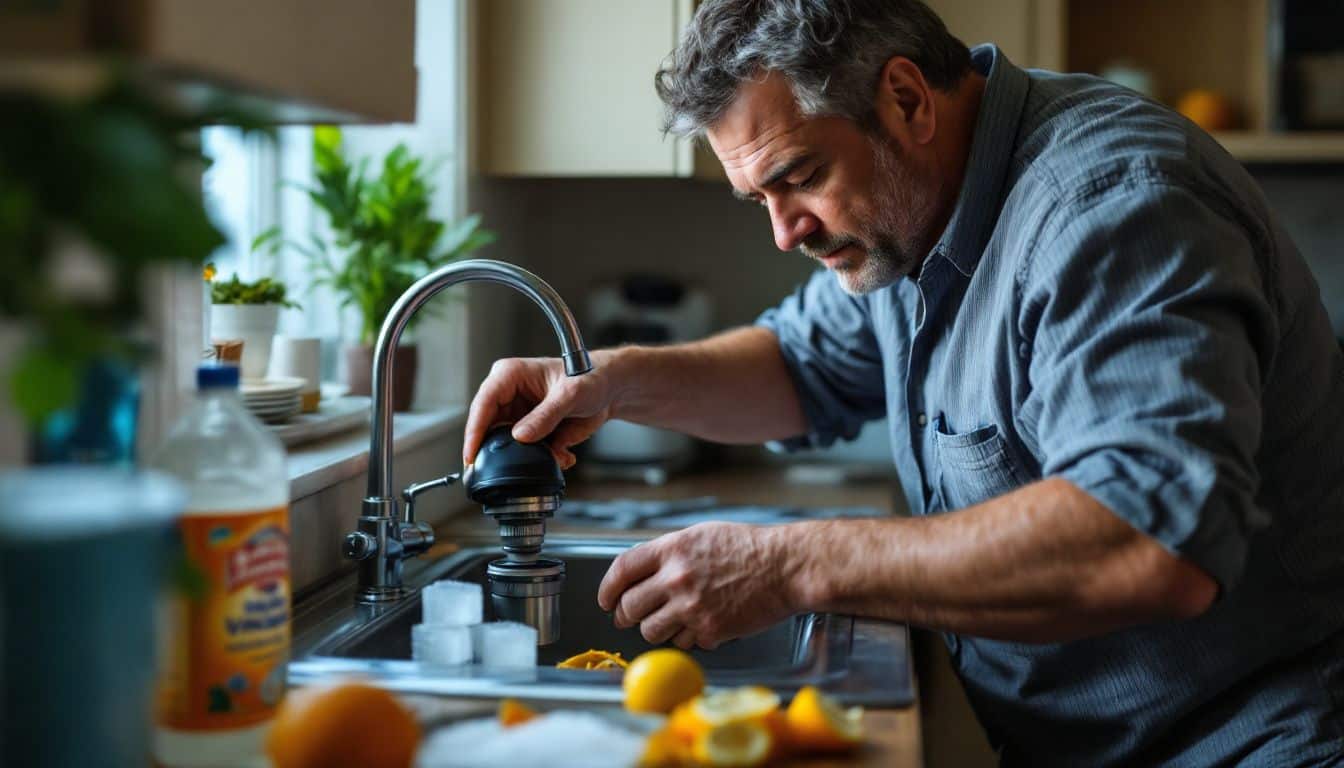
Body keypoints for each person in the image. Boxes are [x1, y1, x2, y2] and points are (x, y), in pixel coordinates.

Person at [463, 1, 1344, 764]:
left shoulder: (1115, 208)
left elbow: (1150, 542)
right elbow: (798, 367)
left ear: (907, 99)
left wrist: (791, 564)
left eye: (798, 178)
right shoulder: (914, 217)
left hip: (1251, 742)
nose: (783, 233)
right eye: (758, 200)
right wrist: (603, 381)